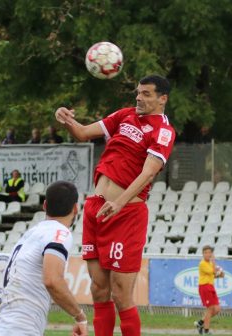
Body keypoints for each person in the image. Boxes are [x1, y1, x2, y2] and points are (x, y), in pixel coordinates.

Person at [55, 75, 175, 336]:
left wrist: (120, 203)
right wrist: (66, 119)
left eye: (146, 94)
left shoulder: (163, 130)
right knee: (98, 290)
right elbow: (83, 132)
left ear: (162, 98)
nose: (139, 97)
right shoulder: (125, 116)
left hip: (127, 213)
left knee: (121, 293)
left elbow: (148, 172)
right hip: (96, 208)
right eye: (138, 93)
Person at [0, 181, 88, 336]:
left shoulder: (30, 234)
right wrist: (80, 317)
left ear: (45, 205)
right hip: (20, 330)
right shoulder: (59, 232)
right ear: (76, 208)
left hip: (2, 327)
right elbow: (52, 280)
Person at [194, 245, 224, 335]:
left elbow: (213, 275)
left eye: (209, 252)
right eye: (205, 253)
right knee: (210, 308)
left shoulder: (210, 264)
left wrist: (220, 275)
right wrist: (214, 262)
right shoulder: (202, 263)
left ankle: (200, 323)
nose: (207, 254)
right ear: (203, 254)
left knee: (217, 309)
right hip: (204, 287)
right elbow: (214, 271)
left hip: (210, 286)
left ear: (211, 253)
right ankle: (206, 331)